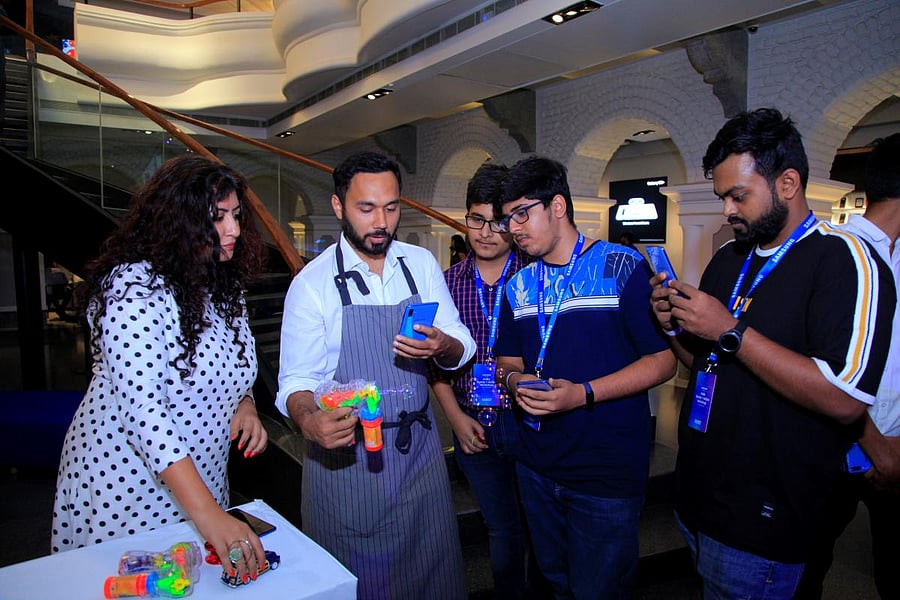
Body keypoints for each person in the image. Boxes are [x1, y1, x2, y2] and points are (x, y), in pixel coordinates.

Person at [649, 108, 895, 599]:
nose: (727, 211)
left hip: (765, 518)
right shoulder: (729, 258)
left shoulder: (846, 259)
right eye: (723, 198)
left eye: (738, 196)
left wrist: (729, 330)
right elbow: (705, 363)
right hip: (700, 498)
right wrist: (671, 326)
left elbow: (843, 398)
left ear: (787, 182)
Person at [52, 155, 270, 585]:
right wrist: (209, 516)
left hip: (200, 482)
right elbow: (145, 412)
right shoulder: (133, 287)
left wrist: (244, 403)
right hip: (127, 486)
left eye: (236, 216)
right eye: (218, 217)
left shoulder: (223, 287)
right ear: (180, 221)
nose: (234, 230)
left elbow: (235, 368)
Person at [275, 150, 476, 599]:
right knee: (358, 583)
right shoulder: (312, 284)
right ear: (338, 207)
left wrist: (442, 346)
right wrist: (309, 421)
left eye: (391, 207)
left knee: (432, 577)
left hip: (418, 454)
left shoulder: (419, 265)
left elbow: (462, 342)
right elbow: (295, 382)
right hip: (348, 463)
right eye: (366, 208)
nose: (381, 221)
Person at [492, 155, 677, 599]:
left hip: (604, 470)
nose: (513, 228)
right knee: (555, 584)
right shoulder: (518, 284)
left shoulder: (622, 267)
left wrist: (583, 394)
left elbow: (663, 361)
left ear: (557, 206)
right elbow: (506, 361)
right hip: (536, 464)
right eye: (507, 218)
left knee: (600, 590)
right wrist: (516, 383)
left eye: (522, 213)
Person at [794, 132, 900, 600]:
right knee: (807, 569)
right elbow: (818, 366)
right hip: (839, 449)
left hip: (895, 448)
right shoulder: (840, 253)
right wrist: (874, 445)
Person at [428, 161, 538, 599]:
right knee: (502, 528)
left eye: (498, 222)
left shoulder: (535, 275)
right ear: (465, 219)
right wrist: (454, 418)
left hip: (531, 419)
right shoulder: (445, 283)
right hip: (472, 422)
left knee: (539, 521)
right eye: (477, 220)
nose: (487, 232)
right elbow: (432, 363)